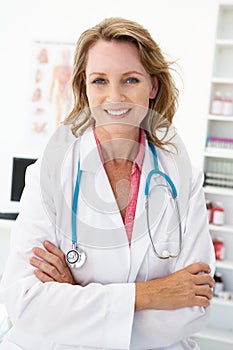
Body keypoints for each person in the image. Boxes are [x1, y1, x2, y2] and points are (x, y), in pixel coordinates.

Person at [0, 17, 215, 350]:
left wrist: (75, 297)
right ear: (85, 87)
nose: (114, 97)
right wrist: (153, 294)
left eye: (130, 80)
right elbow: (26, 302)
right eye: (99, 81)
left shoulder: (183, 179)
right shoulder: (49, 174)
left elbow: (192, 306)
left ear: (153, 86)